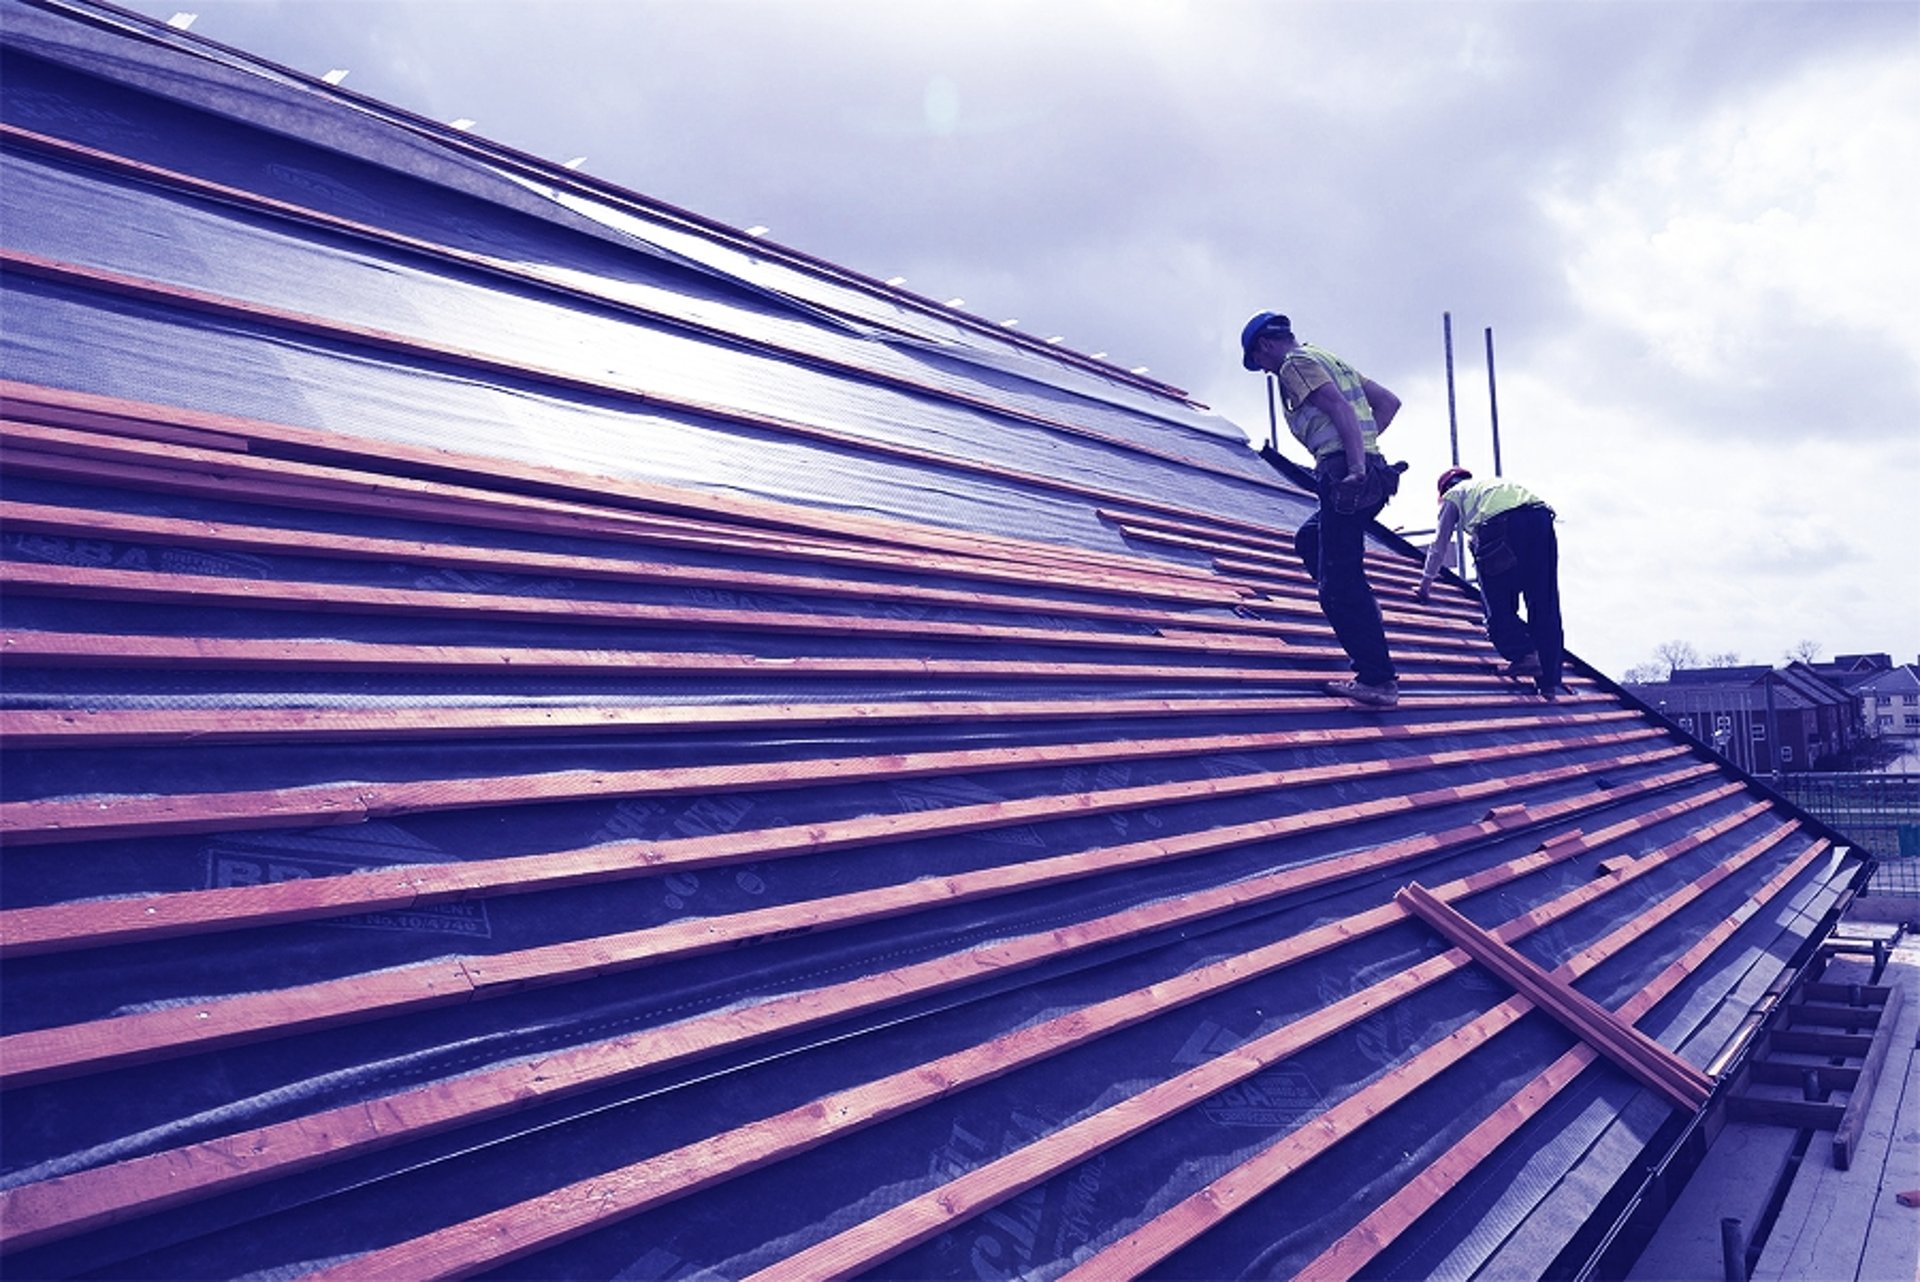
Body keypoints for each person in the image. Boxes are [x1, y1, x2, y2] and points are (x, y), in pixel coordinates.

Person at [1241, 311, 1403, 708]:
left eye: (1259, 363)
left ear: (1264, 345)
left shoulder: (1294, 365)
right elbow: (1388, 403)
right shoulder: (1326, 357)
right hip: (1372, 472)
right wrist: (1361, 450)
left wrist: (1354, 464)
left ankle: (1377, 680)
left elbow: (1339, 410)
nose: (1264, 370)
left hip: (1349, 475)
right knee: (1310, 537)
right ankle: (1359, 604)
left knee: (1338, 584)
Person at [1414, 467, 1565, 698]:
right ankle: (1549, 682)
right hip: (1541, 519)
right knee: (1544, 602)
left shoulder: (1453, 496)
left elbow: (1439, 542)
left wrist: (1425, 584)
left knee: (1497, 603)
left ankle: (1524, 654)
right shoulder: (1491, 486)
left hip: (1501, 525)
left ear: (1444, 491)